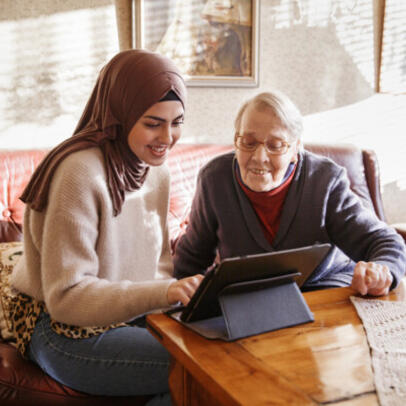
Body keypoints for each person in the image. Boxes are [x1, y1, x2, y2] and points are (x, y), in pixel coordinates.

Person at [10, 49, 203, 405]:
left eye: (177, 122)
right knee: (201, 369)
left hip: (126, 316)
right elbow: (67, 299)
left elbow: (158, 266)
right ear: (120, 113)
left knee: (224, 348)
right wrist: (165, 293)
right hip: (61, 330)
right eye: (152, 122)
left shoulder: (155, 171)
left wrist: (183, 303)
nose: (168, 137)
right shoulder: (79, 173)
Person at [174, 91, 406, 296]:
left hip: (323, 290)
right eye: (248, 142)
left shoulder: (325, 181)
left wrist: (380, 271)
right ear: (236, 141)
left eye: (275, 145)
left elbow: (385, 241)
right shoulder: (215, 179)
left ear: (295, 149)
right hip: (249, 296)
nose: (259, 157)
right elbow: (191, 260)